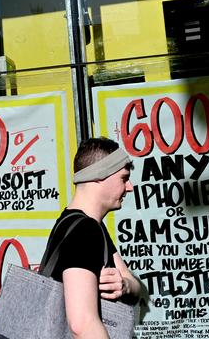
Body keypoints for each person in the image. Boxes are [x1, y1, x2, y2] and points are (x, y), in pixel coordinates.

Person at [45, 137, 141, 338]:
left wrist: (123, 285)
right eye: (124, 178)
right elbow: (82, 323)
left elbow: (134, 285)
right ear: (100, 175)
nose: (130, 187)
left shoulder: (76, 224)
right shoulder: (84, 231)